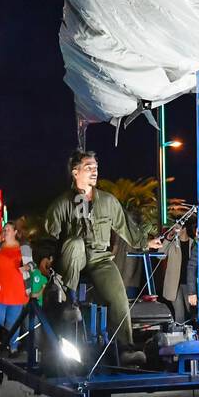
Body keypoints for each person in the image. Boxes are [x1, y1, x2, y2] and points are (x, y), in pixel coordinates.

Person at [46, 150, 160, 367]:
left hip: (99, 259)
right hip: (71, 258)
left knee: (118, 297)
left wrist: (146, 242)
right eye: (88, 167)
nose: (94, 171)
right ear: (75, 172)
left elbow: (126, 227)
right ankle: (70, 301)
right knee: (76, 244)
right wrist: (45, 258)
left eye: (96, 168)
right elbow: (48, 236)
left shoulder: (108, 201)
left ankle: (125, 349)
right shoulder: (62, 203)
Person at [0, 222, 29, 348]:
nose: (5, 231)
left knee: (13, 322)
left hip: (17, 290)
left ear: (15, 232)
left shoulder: (24, 247)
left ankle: (12, 347)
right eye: (4, 229)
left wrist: (27, 267)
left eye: (8, 229)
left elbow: (32, 265)